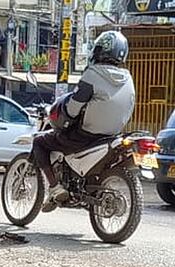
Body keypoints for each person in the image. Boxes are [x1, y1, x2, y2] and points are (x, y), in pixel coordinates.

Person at [30, 30, 135, 208]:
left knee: (40, 141)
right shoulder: (128, 78)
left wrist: (67, 115)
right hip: (111, 136)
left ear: (99, 51)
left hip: (85, 136)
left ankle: (55, 188)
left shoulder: (92, 74)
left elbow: (72, 109)